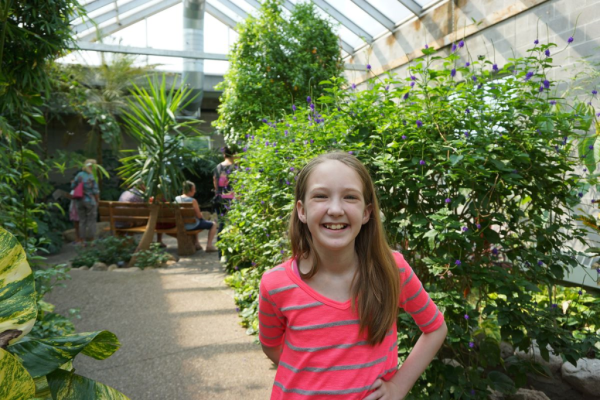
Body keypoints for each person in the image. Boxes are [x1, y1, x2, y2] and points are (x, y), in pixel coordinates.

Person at [258, 152, 447, 400]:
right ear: (302, 211)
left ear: (367, 213)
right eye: (321, 196)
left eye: (350, 197)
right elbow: (272, 345)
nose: (335, 209)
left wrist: (398, 387)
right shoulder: (275, 284)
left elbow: (435, 328)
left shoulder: (392, 270)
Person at [175, 181, 218, 252]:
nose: (195, 191)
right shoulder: (193, 201)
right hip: (191, 226)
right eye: (194, 189)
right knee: (213, 224)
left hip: (180, 225)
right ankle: (209, 246)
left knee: (195, 220)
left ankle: (197, 243)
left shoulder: (177, 198)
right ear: (190, 190)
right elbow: (199, 216)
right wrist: (201, 216)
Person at [213, 146, 235, 255]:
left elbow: (215, 184)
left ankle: (220, 253)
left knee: (221, 225)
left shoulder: (218, 167)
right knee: (233, 225)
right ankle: (231, 252)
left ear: (224, 154)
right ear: (233, 155)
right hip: (233, 200)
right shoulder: (236, 168)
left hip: (219, 200)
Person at [71, 159, 100, 244]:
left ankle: (82, 241)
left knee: (82, 221)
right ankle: (92, 240)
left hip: (79, 200)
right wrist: (97, 201)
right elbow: (95, 191)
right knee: (91, 220)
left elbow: (73, 186)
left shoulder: (79, 175)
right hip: (90, 201)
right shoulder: (92, 176)